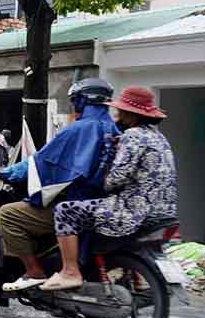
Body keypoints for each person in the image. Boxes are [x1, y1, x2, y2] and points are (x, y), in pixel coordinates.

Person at [41, 86, 178, 291]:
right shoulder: (159, 138)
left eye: (121, 111)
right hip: (163, 212)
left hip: (133, 212)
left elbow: (114, 180)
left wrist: (105, 170)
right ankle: (137, 279)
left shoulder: (133, 136)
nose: (117, 115)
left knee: (65, 211)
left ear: (131, 114)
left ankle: (70, 272)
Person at [0, 78, 119, 292]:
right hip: (106, 205)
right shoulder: (115, 130)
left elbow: (43, 161)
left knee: (8, 214)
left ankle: (34, 271)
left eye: (75, 101)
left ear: (82, 101)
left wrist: (9, 172)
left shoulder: (78, 130)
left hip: (77, 204)